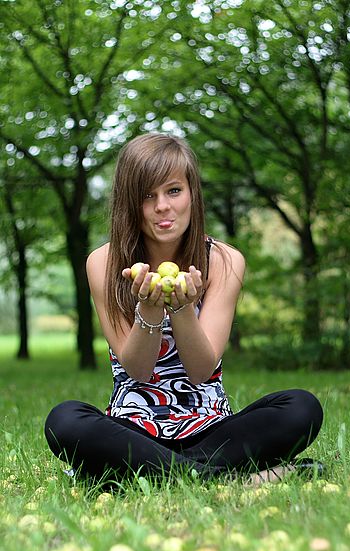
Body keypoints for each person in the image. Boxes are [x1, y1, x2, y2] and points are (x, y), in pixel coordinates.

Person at [44, 133, 323, 485]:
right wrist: (148, 308)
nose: (163, 206)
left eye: (174, 191)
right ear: (131, 202)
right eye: (148, 195)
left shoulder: (223, 261)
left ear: (192, 194)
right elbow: (138, 371)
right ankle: (229, 478)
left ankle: (136, 474)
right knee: (65, 420)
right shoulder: (104, 262)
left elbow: (201, 371)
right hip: (133, 431)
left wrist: (182, 308)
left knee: (301, 407)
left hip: (212, 430)